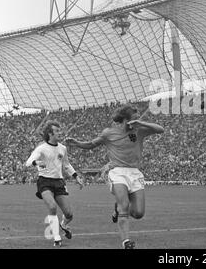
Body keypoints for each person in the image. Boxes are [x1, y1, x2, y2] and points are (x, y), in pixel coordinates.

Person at [65, 104, 164, 249]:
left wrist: (140, 123)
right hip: (117, 172)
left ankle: (117, 210)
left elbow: (160, 130)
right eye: (135, 117)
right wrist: (77, 143)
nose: (137, 119)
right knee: (124, 205)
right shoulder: (109, 133)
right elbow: (92, 144)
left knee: (138, 213)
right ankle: (126, 242)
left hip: (135, 173)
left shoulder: (139, 130)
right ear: (125, 119)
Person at [25, 120, 84, 247]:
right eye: (57, 131)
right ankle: (57, 237)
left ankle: (64, 224)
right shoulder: (41, 148)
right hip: (44, 181)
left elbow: (66, 165)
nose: (59, 133)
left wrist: (76, 176)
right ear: (50, 134)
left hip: (59, 182)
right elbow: (29, 161)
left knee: (69, 214)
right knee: (52, 207)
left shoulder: (63, 148)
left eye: (59, 130)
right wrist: (36, 163)